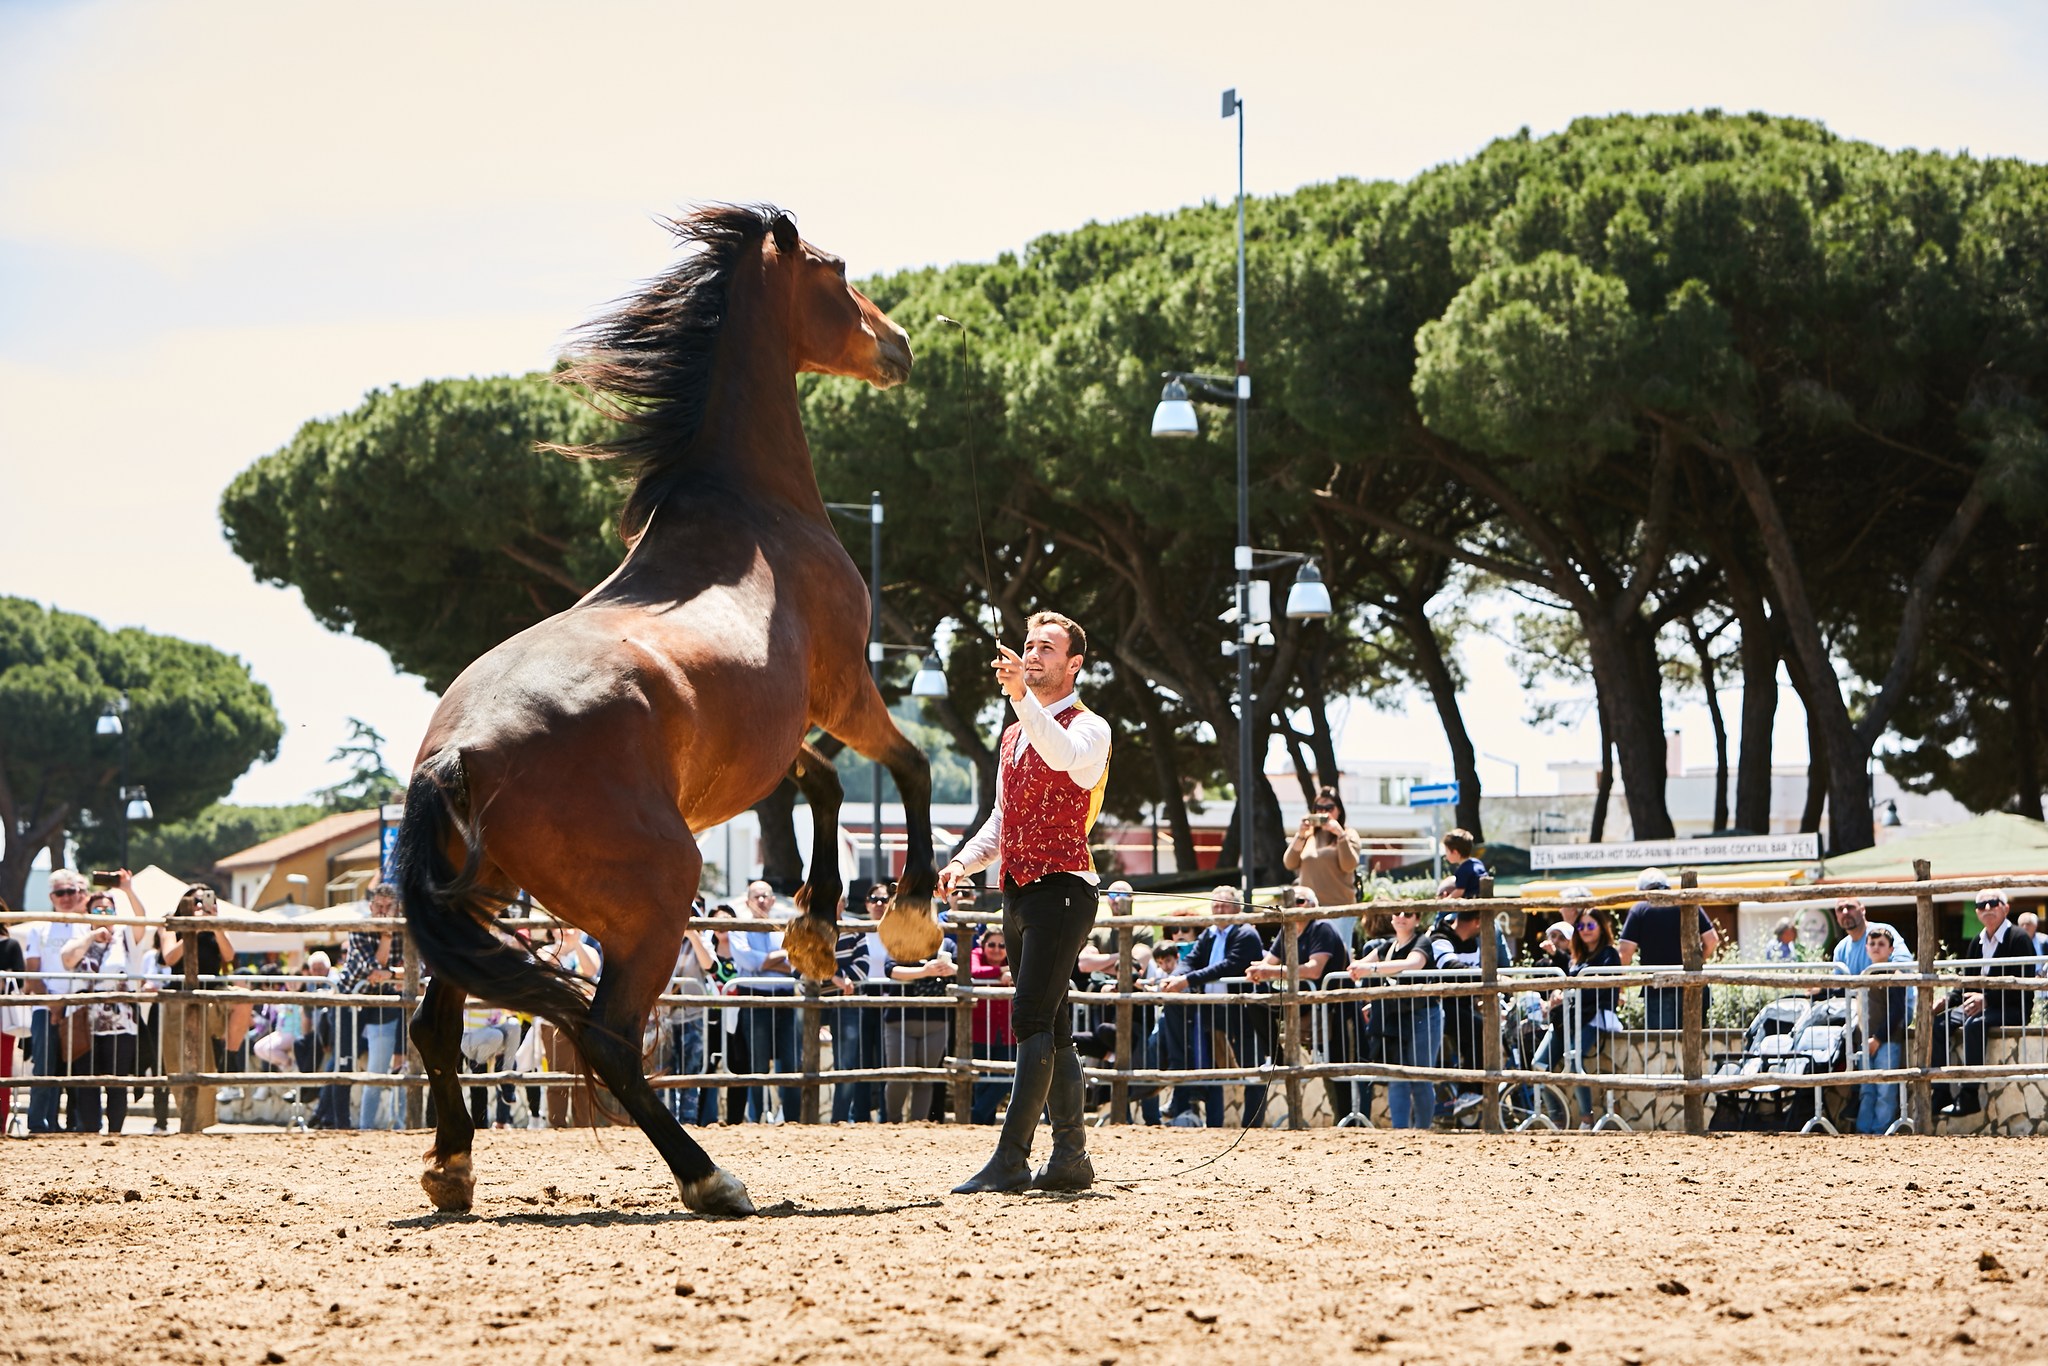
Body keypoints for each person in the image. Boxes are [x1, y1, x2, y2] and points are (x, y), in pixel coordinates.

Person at [943, 611, 1112, 1194]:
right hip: (1017, 891)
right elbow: (1001, 818)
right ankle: (1070, 1158)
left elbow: (1063, 754)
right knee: (1055, 1023)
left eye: (1047, 648)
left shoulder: (1091, 729)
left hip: (1064, 891)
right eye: (1027, 646)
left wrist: (1020, 699)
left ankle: (1011, 1159)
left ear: (1074, 665)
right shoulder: (1014, 732)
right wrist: (963, 862)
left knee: (1031, 1018)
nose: (1032, 655)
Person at [1157, 887, 1262, 1128]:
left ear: (1237, 908)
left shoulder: (1247, 933)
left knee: (1250, 1065)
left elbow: (1229, 965)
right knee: (1213, 1066)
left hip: (1242, 1009)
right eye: (1214, 905)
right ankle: (1215, 1124)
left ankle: (1253, 1125)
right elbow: (1190, 960)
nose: (1218, 909)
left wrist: (1188, 980)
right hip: (1212, 1010)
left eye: (1223, 905)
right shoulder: (1209, 935)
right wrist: (1177, 976)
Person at [1246, 888, 1353, 1121]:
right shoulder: (1288, 932)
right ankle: (1278, 1060)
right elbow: (1268, 964)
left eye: (1300, 901)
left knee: (1338, 1065)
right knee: (1255, 1001)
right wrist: (1259, 971)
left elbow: (1314, 970)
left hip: (1330, 1005)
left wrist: (1268, 971)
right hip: (1300, 999)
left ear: (1313, 906)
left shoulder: (1321, 928)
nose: (1294, 905)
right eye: (1290, 902)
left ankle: (1347, 1118)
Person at [1933, 890, 2036, 1119]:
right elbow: (1966, 982)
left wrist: (1987, 999)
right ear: (1976, 912)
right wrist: (1947, 1001)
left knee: (1973, 1025)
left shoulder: (2019, 939)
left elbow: (2023, 984)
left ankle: (1969, 1095)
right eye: (1981, 905)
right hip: (1978, 1007)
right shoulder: (1976, 942)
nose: (1987, 908)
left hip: (2011, 1009)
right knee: (1939, 1024)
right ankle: (1940, 1092)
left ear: (2006, 908)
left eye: (1993, 903)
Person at [156, 883, 244, 1132]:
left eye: (203, 901)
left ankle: (231, 1059)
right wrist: (191, 930)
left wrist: (214, 926)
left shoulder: (215, 925)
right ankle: (190, 1121)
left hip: (211, 996)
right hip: (180, 997)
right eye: (194, 902)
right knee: (179, 1062)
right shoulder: (171, 923)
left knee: (244, 1000)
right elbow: (170, 957)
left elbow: (228, 956)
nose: (199, 905)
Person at [59, 881, 145, 1132]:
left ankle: (116, 1130)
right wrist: (91, 935)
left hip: (120, 1023)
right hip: (84, 1021)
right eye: (97, 910)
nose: (104, 914)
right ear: (88, 914)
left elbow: (142, 919)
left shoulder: (126, 939)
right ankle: (89, 1129)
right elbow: (67, 960)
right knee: (87, 1080)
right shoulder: (79, 937)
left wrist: (128, 889)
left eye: (108, 910)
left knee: (116, 1081)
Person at [1348, 906, 1442, 1128]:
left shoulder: (1422, 942)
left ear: (1417, 919)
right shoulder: (1387, 947)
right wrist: (1359, 967)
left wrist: (1371, 968)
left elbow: (1413, 963)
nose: (1401, 917)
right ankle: (1399, 1132)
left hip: (1423, 1015)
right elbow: (1359, 965)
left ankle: (1423, 1130)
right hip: (1396, 1018)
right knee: (1397, 1077)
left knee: (1420, 1077)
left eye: (1408, 913)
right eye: (1397, 913)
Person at [1532, 908, 1622, 1126]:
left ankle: (1586, 1118)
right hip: (1567, 1018)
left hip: (1593, 1016)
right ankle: (1556, 1117)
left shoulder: (1609, 954)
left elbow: (1603, 989)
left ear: (1602, 927)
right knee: (1538, 1064)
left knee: (1573, 1059)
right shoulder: (1577, 957)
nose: (1585, 930)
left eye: (1590, 925)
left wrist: (1571, 993)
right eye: (1581, 926)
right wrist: (1560, 994)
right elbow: (1572, 983)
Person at [22, 869, 92, 1133]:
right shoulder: (38, 927)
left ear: (79, 893)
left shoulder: (85, 926)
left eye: (71, 891)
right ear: (51, 896)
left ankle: (72, 1121)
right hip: (45, 1007)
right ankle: (40, 1122)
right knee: (45, 1066)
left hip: (78, 1007)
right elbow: (32, 970)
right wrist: (54, 1004)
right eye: (60, 892)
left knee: (74, 1067)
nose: (65, 897)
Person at [332, 882, 405, 1130]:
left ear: (397, 908)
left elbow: (412, 970)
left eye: (389, 907)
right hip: (350, 997)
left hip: (381, 999)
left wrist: (390, 974)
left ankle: (367, 1125)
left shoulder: (405, 929)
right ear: (371, 906)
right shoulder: (360, 927)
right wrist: (386, 937)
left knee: (378, 1066)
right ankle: (340, 1123)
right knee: (344, 1061)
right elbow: (371, 970)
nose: (383, 912)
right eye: (379, 906)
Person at [729, 880, 800, 1123]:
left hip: (784, 999)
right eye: (756, 896)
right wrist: (782, 957)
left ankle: (793, 1118)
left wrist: (766, 962)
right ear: (748, 901)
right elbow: (748, 961)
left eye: (765, 896)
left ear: (772, 900)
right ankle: (756, 1116)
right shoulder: (739, 927)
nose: (761, 900)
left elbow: (797, 961)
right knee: (757, 1063)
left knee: (791, 1061)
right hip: (754, 998)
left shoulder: (783, 927)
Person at [1616, 868, 1718, 1030]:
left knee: (1662, 1045)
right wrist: (1698, 961)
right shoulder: (1688, 904)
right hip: (1692, 983)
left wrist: (1620, 985)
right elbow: (1711, 940)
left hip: (1658, 986)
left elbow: (1625, 952)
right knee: (1694, 1040)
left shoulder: (1640, 909)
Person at [830, 886, 884, 1124]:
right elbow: (804, 962)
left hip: (848, 1000)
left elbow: (863, 963)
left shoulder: (854, 927)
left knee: (848, 1062)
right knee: (800, 1059)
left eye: (838, 901)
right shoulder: (811, 926)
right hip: (818, 998)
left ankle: (840, 1117)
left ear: (844, 903)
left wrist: (837, 976)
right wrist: (836, 978)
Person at [1284, 787, 1360, 941]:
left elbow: (1349, 865)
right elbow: (1290, 863)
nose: (1324, 812)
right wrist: (1300, 835)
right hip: (1308, 910)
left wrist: (1340, 835)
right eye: (1319, 808)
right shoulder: (1308, 836)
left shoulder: (1348, 834)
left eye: (1329, 808)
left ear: (1339, 810)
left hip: (1338, 910)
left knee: (1338, 958)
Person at [1855, 924, 1910, 1135]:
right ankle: (1864, 1131)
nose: (1876, 947)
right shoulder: (1865, 974)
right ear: (1866, 948)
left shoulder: (1894, 975)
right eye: (1872, 943)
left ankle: (1880, 1131)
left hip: (1887, 1041)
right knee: (1866, 1089)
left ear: (1891, 950)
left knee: (1885, 1090)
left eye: (1881, 944)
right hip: (1866, 1040)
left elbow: (1896, 1011)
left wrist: (1878, 1038)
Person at [665, 916, 719, 1126]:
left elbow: (710, 966)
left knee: (691, 1068)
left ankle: (688, 1119)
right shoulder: (662, 935)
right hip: (663, 1014)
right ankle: (666, 1120)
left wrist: (693, 935)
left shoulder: (702, 939)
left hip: (692, 1015)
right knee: (663, 1068)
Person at [968, 927, 1015, 1125]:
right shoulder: (975, 954)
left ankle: (976, 1116)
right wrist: (1002, 972)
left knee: (1005, 1075)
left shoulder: (1014, 958)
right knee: (981, 1080)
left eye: (1002, 945)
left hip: (1008, 1031)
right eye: (992, 944)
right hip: (980, 1030)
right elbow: (974, 971)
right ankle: (982, 1122)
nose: (997, 949)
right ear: (983, 945)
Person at [1827, 898, 1901, 982]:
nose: (1845, 912)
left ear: (1862, 910)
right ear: (1836, 915)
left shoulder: (1884, 932)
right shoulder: (1840, 949)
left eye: (1850, 907)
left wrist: (1871, 977)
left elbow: (1904, 964)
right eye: (1840, 909)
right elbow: (1837, 984)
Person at [1437, 828, 1487, 899]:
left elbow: (1459, 892)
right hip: (1482, 899)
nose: (1445, 855)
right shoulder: (1477, 863)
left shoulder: (1462, 870)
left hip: (1471, 904)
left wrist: (1445, 901)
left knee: (1442, 910)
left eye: (1447, 851)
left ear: (1455, 852)